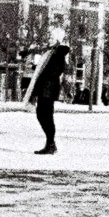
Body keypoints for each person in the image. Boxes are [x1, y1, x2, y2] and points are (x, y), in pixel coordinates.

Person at [25, 25, 69, 155]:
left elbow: (55, 71)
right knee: (42, 115)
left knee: (46, 116)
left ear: (57, 40)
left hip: (48, 88)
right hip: (45, 87)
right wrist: (37, 68)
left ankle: (50, 144)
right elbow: (48, 69)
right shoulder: (51, 52)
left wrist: (44, 73)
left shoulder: (58, 53)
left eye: (51, 38)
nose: (49, 39)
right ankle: (50, 143)